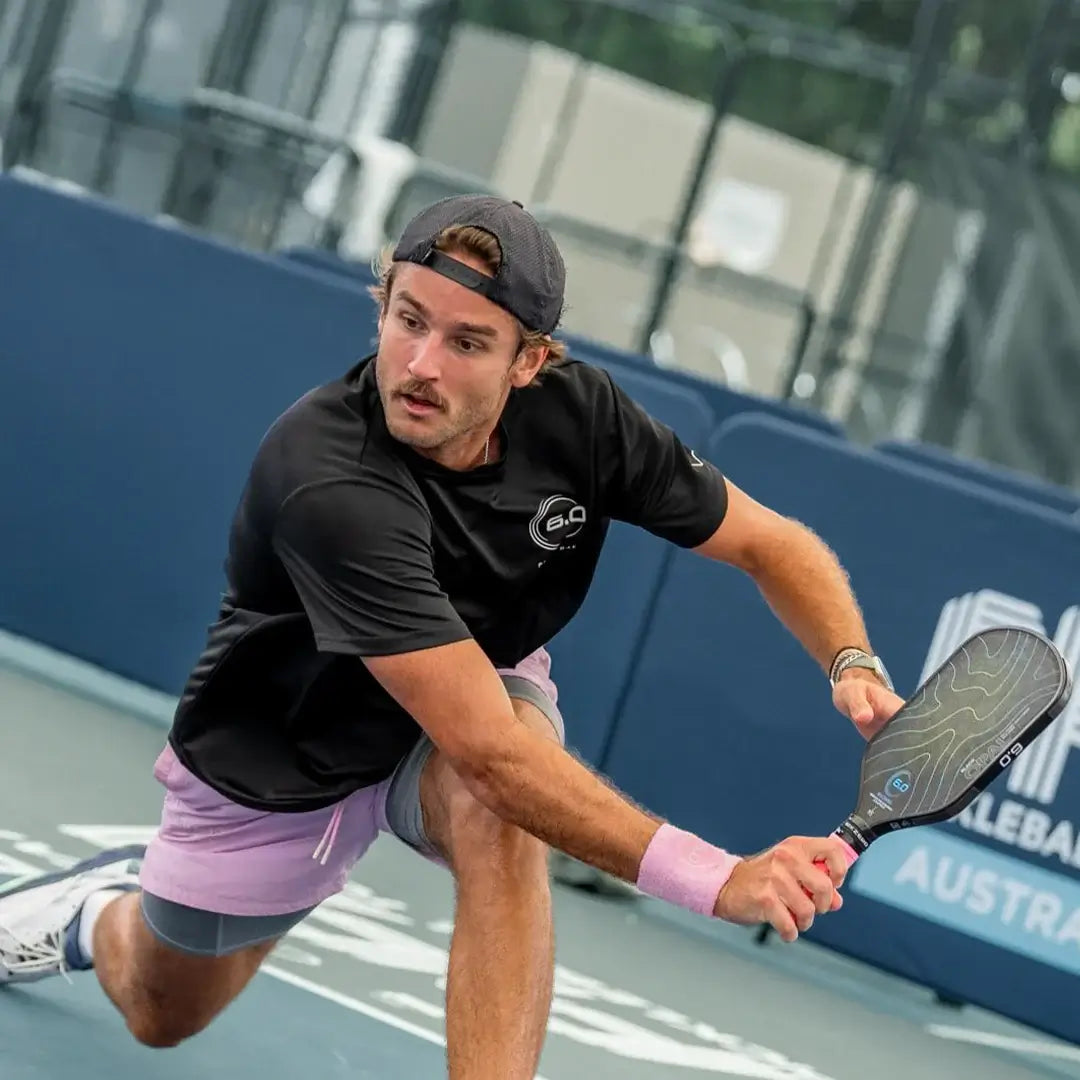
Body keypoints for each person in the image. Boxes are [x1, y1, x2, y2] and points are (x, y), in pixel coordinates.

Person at [0, 195, 903, 1077]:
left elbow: (769, 543)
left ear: (529, 363)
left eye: (467, 342)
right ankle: (94, 914)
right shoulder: (327, 478)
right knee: (163, 1010)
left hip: (473, 696)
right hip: (283, 743)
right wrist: (719, 879)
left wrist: (850, 661)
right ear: (383, 303)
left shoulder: (582, 417)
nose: (421, 364)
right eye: (408, 320)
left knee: (500, 821)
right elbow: (492, 752)